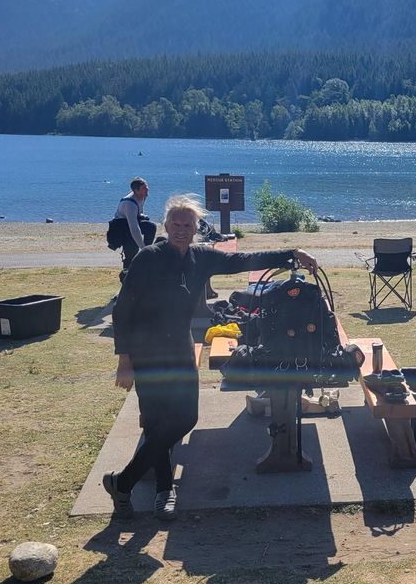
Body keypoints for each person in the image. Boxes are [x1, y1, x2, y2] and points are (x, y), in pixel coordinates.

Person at [105, 194, 318, 521]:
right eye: (175, 224)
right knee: (157, 423)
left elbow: (246, 259)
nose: (180, 229)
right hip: (146, 355)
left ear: (196, 229)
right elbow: (122, 310)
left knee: (186, 418)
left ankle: (123, 482)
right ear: (166, 225)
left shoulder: (201, 257)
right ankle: (163, 491)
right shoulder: (148, 258)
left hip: (178, 348)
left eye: (186, 224)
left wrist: (291, 254)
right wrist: (125, 361)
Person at [115, 177, 152, 281]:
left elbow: (139, 212)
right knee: (131, 253)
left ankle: (147, 254)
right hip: (122, 228)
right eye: (144, 188)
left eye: (147, 187)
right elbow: (134, 228)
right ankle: (125, 284)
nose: (147, 190)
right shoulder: (129, 203)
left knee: (151, 226)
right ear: (136, 190)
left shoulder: (143, 196)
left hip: (132, 221)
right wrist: (142, 247)